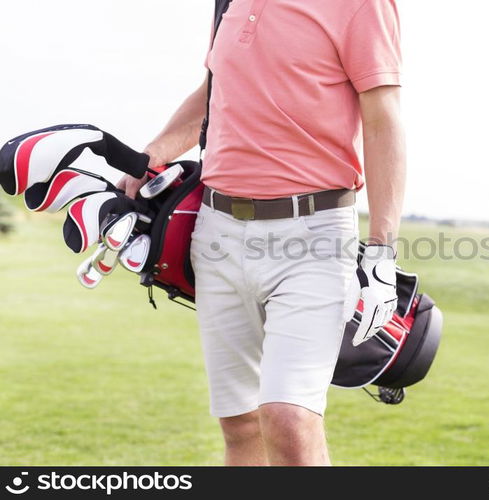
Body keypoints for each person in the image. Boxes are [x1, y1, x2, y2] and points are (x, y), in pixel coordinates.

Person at [119, 0, 406, 466]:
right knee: (240, 424)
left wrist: (381, 252)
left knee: (290, 418)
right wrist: (151, 154)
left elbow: (383, 119)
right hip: (217, 233)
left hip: (314, 234)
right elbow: (214, 93)